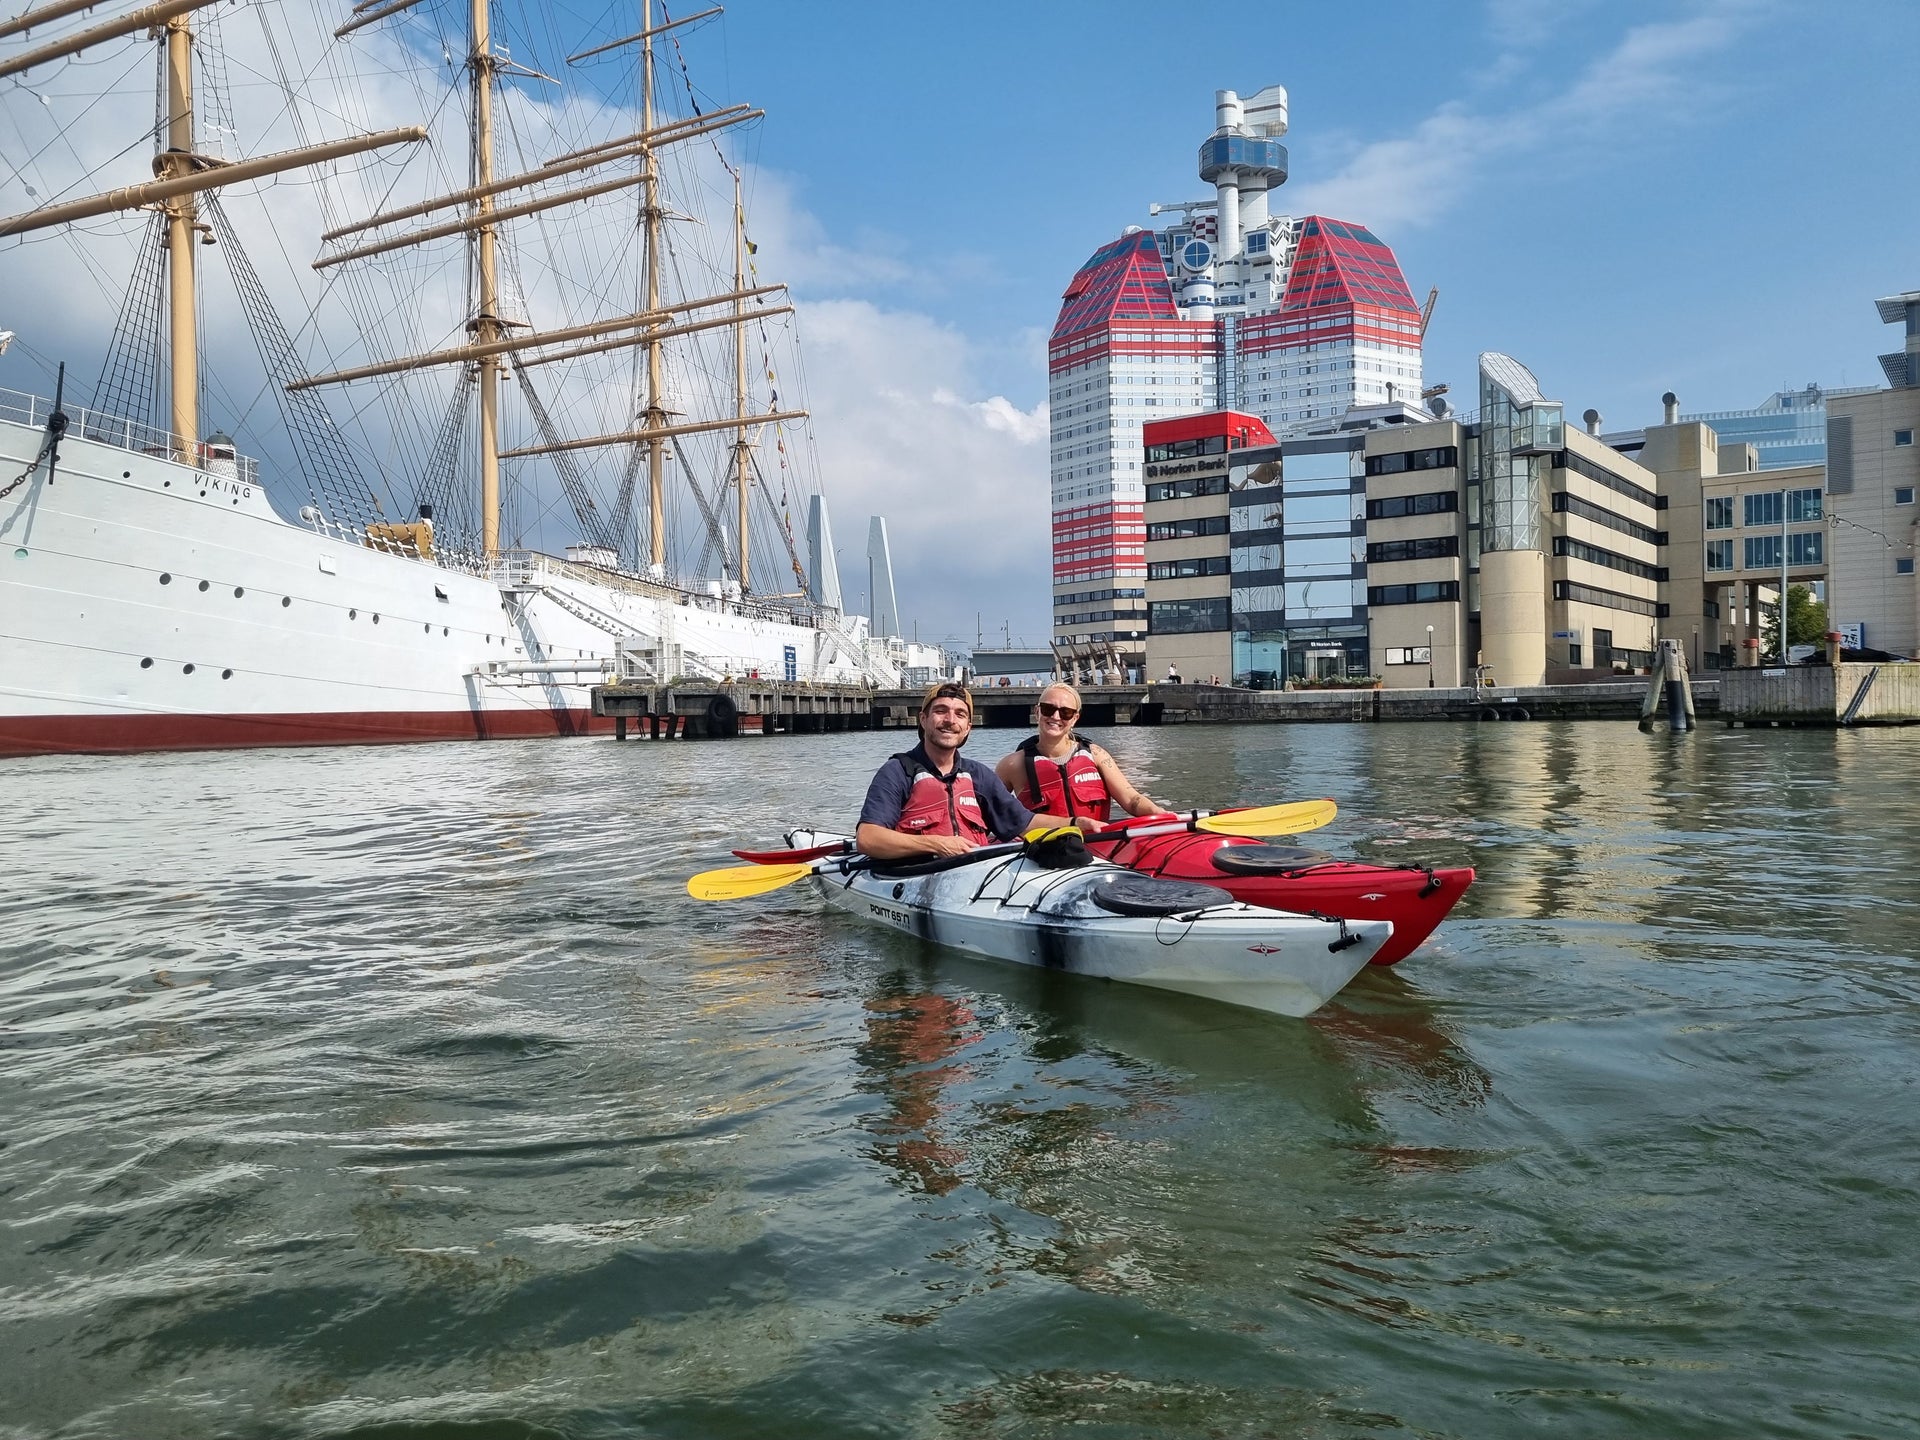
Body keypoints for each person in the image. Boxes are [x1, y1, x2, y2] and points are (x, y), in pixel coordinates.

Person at [855, 682, 1077, 861]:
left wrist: (1076, 824)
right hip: (916, 877)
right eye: (941, 711)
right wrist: (937, 843)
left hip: (975, 878)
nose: (950, 720)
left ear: (968, 726)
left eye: (960, 714)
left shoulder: (978, 775)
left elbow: (1025, 823)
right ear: (923, 720)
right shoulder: (897, 771)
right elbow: (868, 838)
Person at [995, 683, 1160, 826]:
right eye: (1048, 709)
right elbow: (988, 812)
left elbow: (1132, 800)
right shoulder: (1012, 765)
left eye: (1065, 712)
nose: (1055, 716)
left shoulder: (1097, 755)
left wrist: (1161, 814)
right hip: (1040, 854)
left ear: (1075, 718)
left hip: (1097, 850)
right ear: (1037, 712)